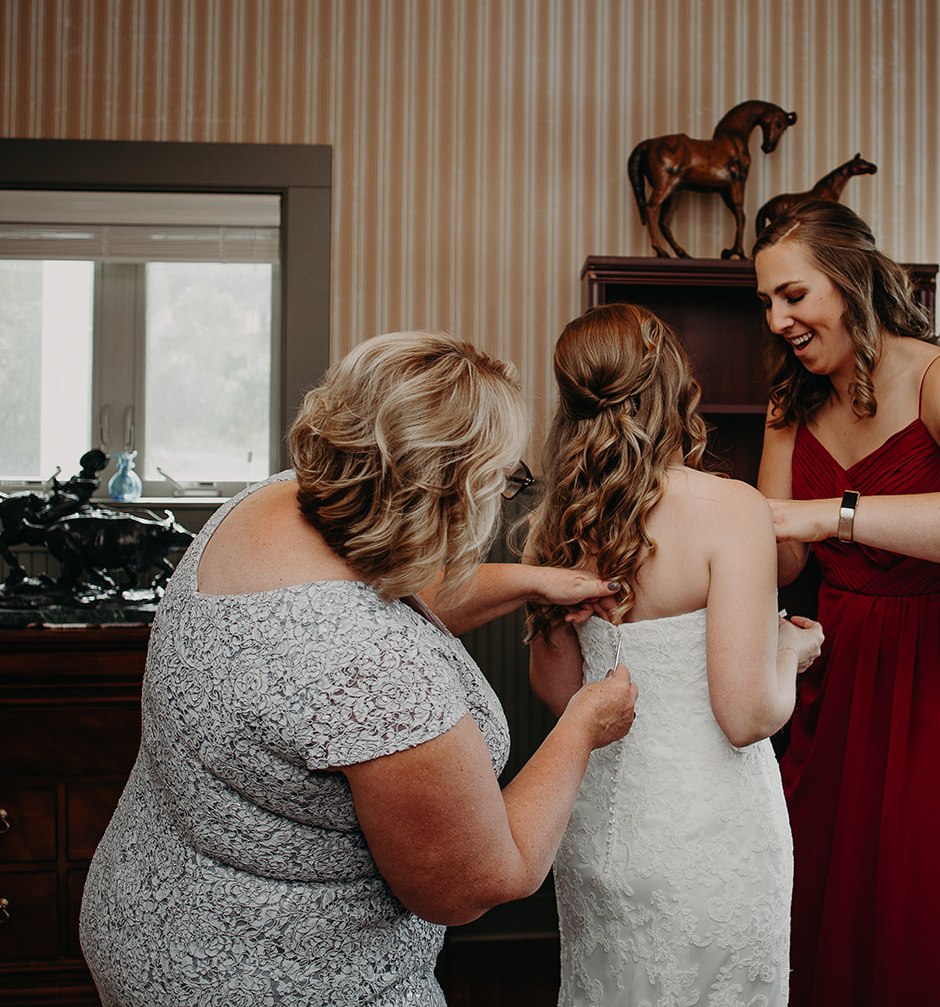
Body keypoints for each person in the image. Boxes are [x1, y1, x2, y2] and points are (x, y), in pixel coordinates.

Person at [79, 331, 638, 1006]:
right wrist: (581, 724)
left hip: (149, 915)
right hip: (284, 977)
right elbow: (477, 880)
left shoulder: (270, 504)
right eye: (504, 479)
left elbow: (403, 584)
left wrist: (534, 580)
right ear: (451, 491)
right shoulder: (374, 670)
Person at [752, 201, 940, 1006]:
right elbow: (783, 556)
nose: (778, 319)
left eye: (792, 295)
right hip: (842, 679)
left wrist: (836, 511)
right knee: (827, 910)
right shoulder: (793, 404)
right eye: (767, 304)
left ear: (849, 282)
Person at [523, 303, 825, 1006]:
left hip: (597, 828)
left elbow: (563, 690)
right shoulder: (731, 508)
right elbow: (746, 715)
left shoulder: (561, 518)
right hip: (707, 834)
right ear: (673, 386)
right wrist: (791, 648)